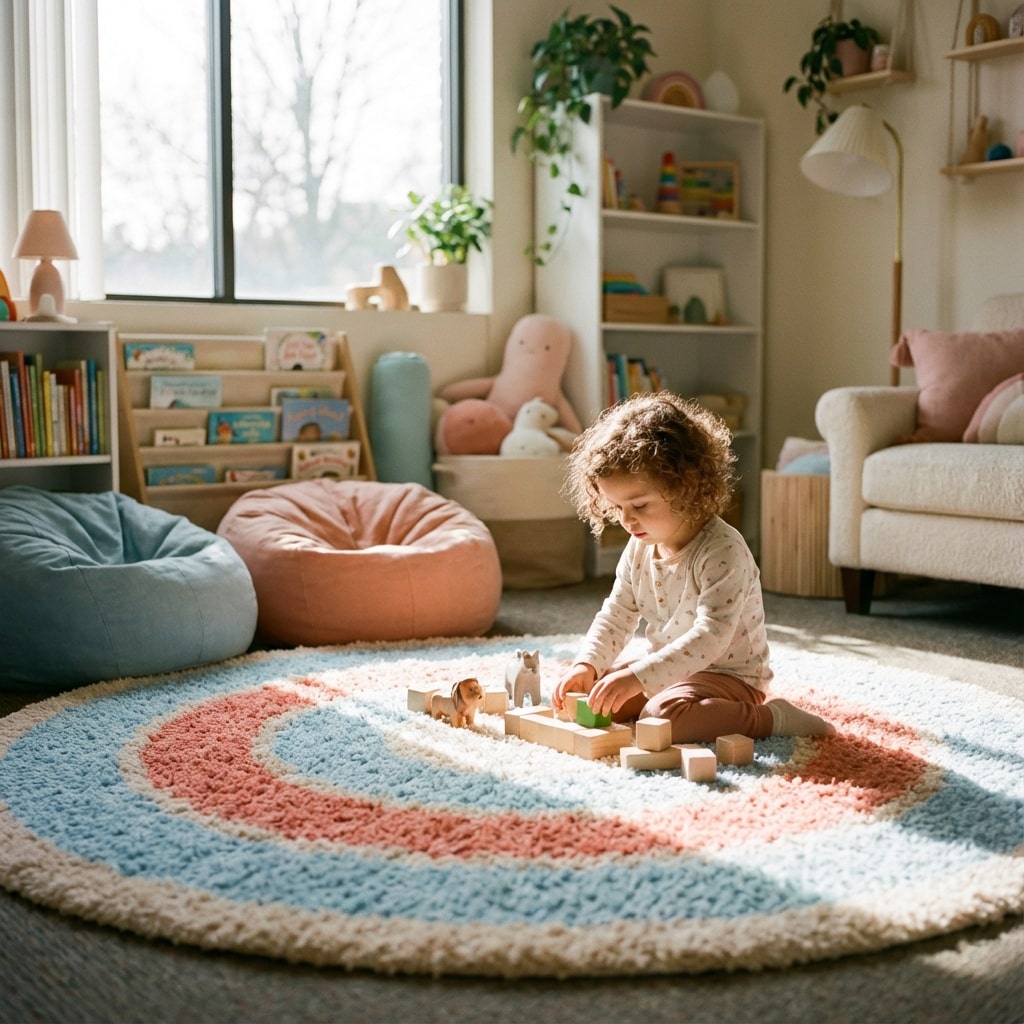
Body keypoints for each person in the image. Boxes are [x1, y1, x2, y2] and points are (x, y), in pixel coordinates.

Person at [552, 391, 835, 744]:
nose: (625, 519)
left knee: (662, 718)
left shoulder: (722, 549)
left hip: (729, 676)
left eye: (639, 504)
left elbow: (711, 637)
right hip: (670, 671)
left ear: (684, 485)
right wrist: (588, 664)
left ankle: (770, 718)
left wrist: (638, 677)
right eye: (616, 506)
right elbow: (618, 613)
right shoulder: (640, 544)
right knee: (595, 695)